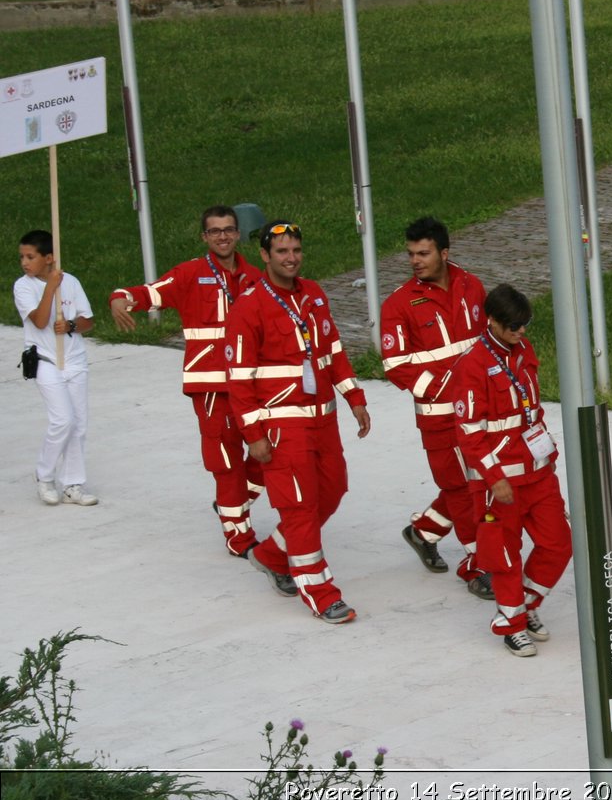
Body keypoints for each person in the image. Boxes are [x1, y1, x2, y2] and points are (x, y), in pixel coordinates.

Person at [227, 221, 370, 625]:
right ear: (265, 256)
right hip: (281, 426)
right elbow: (238, 380)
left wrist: (354, 397)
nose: (290, 258)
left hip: (323, 419)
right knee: (300, 507)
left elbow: (333, 350)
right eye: (282, 251)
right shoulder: (249, 306)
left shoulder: (314, 295)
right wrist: (253, 435)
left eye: (296, 250)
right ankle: (320, 591)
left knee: (334, 487)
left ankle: (272, 554)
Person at [109, 205, 263, 554]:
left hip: (253, 386)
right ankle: (240, 538)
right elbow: (146, 293)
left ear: (238, 234)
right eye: (215, 231)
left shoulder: (256, 277)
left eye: (228, 229)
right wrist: (120, 299)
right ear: (204, 237)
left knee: (268, 453)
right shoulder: (190, 274)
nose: (222, 236)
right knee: (226, 464)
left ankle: (233, 504)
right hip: (211, 386)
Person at [452, 284, 572, 657]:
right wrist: (494, 477)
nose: (522, 333)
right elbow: (469, 432)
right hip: (500, 481)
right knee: (504, 555)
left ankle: (526, 603)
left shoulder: (522, 351)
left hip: (537, 472)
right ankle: (510, 622)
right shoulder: (472, 365)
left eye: (525, 325)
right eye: (514, 327)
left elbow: (530, 408)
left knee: (559, 543)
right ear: (493, 322)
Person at [379, 217, 491, 598]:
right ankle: (478, 566)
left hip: (480, 410)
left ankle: (423, 531)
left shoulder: (472, 285)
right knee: (461, 488)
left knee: (477, 480)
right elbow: (395, 366)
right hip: (438, 418)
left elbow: (487, 343)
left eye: (423, 253)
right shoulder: (397, 305)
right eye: (410, 254)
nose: (415, 260)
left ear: (444, 252)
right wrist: (443, 388)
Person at [16, 230, 96, 506]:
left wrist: (72, 325)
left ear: (49, 257)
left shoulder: (70, 282)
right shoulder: (23, 287)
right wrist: (50, 287)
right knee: (62, 420)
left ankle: (73, 484)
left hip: (75, 361)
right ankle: (45, 475)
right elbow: (39, 322)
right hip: (46, 362)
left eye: (31, 256)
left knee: (79, 425)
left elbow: (88, 321)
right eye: (22, 257)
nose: (25, 262)